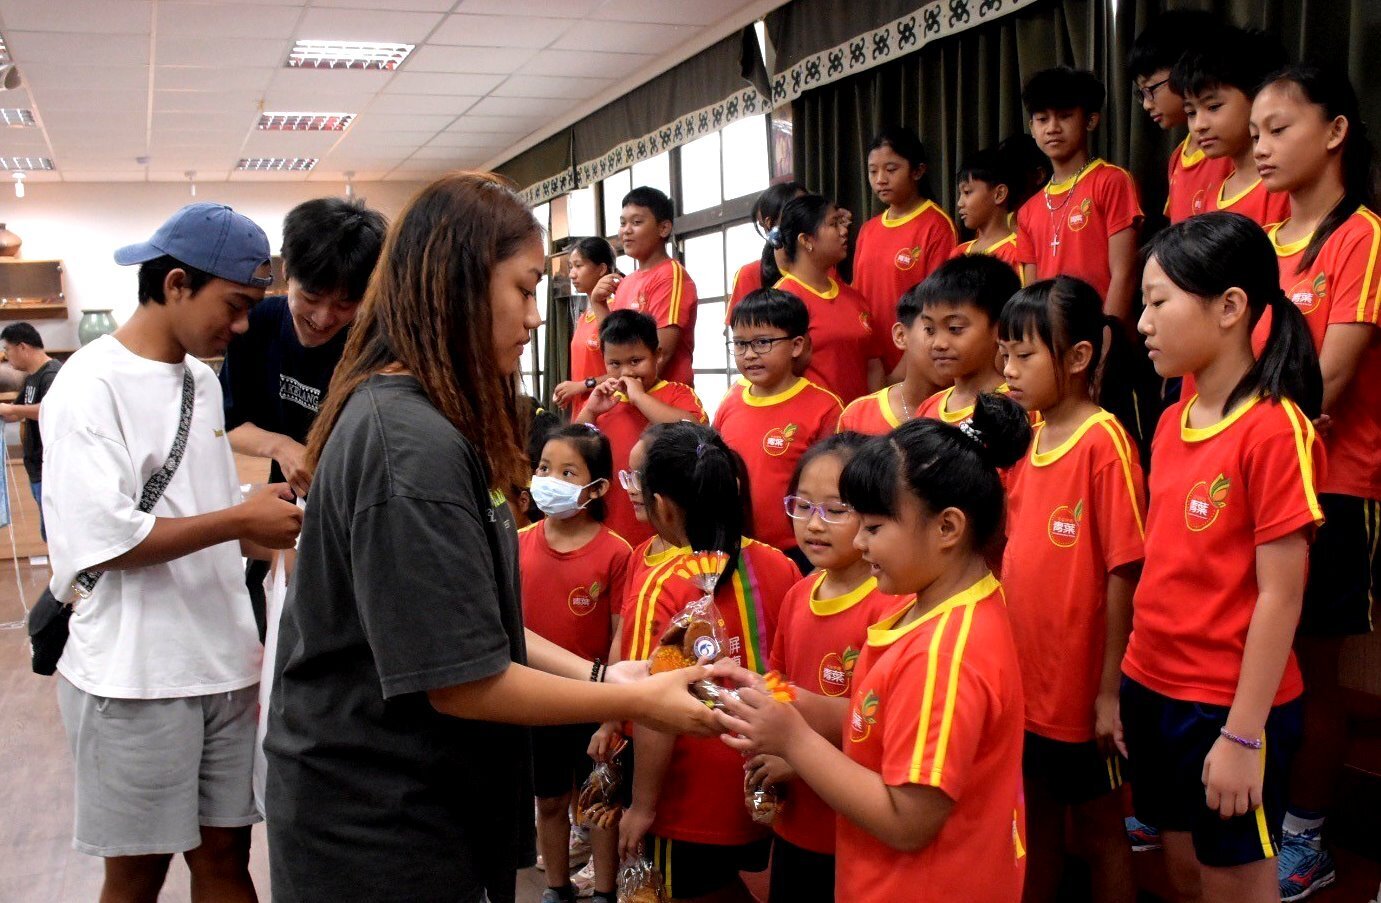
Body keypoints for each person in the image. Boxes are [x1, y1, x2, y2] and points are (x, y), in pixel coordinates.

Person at [264, 172, 718, 903]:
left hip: (422, 802)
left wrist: (606, 680)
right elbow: (463, 680)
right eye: (525, 287)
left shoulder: (428, 423)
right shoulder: (405, 445)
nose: (536, 316)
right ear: (458, 285)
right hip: (378, 824)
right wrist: (641, 704)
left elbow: (471, 625)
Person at [40, 202, 305, 902]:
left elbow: (203, 518)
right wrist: (238, 518)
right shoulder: (89, 385)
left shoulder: (200, 381)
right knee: (139, 869)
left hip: (222, 660)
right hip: (134, 675)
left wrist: (273, 526)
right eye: (236, 305)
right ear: (178, 283)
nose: (243, 326)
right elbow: (105, 539)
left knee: (225, 855)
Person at [713, 395, 1033, 903]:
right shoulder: (930, 606)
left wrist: (794, 740)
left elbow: (908, 821)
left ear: (947, 528)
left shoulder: (944, 655)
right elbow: (875, 721)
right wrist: (780, 700)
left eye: (875, 527)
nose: (859, 544)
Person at [1122, 212, 1323, 903]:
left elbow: (1280, 595)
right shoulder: (1173, 414)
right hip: (1151, 684)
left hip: (1224, 707)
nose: (1141, 323)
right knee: (1181, 874)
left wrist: (1241, 736)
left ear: (1230, 306)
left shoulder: (1273, 428)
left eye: (1156, 303)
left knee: (1233, 884)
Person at [1251, 64, 1381, 901]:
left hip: (1333, 481)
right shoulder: (1257, 240)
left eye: (1276, 129)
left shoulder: (1360, 234)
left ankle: (1308, 837)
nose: (1258, 147)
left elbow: (1325, 379)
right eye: (1253, 132)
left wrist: (1248, 414)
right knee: (1254, 650)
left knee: (1313, 659)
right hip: (1256, 474)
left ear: (1333, 132)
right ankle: (1259, 808)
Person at [998, 277, 1144, 903]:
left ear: (1078, 357)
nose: (1008, 369)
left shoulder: (1105, 442)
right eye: (1004, 353)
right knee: (1036, 825)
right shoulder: (1026, 441)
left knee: (1101, 828)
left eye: (1024, 355)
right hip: (1026, 683)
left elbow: (1124, 571)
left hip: (1081, 693)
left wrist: (1108, 691)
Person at [618, 422, 800, 903]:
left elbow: (653, 708)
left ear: (662, 506)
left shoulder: (664, 582)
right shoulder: (780, 566)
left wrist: (641, 805)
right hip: (764, 781)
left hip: (685, 801)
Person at [218, 196, 386, 639]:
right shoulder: (256, 326)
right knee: (278, 624)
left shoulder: (375, 344)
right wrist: (282, 446)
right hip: (291, 507)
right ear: (287, 275)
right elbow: (231, 422)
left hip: (360, 515)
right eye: (310, 297)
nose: (324, 317)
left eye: (345, 304)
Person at [753, 433, 905, 902]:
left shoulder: (890, 606)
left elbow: (872, 725)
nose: (814, 525)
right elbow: (778, 681)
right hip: (795, 819)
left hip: (852, 826)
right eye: (802, 506)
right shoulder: (799, 593)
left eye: (836, 510)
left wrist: (793, 753)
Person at [519, 424, 631, 903]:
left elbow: (619, 638)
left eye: (567, 472)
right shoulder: (517, 542)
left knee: (598, 803)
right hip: (535, 701)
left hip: (593, 700)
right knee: (549, 801)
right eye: (544, 468)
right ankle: (557, 888)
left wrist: (610, 713)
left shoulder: (616, 552)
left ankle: (605, 891)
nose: (549, 480)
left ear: (598, 488)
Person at [713, 289, 842, 570]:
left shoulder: (824, 407)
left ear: (796, 346)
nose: (749, 354)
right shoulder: (731, 398)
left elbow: (833, 490)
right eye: (740, 344)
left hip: (797, 552)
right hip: (735, 546)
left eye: (762, 342)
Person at [1016, 67, 1143, 328]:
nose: (1052, 128)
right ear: (1031, 127)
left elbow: (1125, 273)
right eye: (1042, 119)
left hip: (1103, 336)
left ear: (1090, 120)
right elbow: (1032, 290)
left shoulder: (1111, 180)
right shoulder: (1027, 210)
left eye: (1064, 117)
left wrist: (1109, 340)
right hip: (1050, 343)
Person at [575, 310, 707, 546]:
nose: (626, 372)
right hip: (610, 530)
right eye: (614, 364)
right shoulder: (602, 401)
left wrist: (639, 399)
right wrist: (591, 412)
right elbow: (572, 447)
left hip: (668, 538)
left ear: (657, 356)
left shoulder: (677, 393)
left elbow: (692, 431)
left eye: (636, 361)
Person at [851, 126, 958, 377]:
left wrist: (902, 371)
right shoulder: (868, 230)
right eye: (872, 171)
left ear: (918, 171)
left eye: (891, 169)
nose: (880, 179)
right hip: (870, 366)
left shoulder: (936, 225)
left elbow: (936, 308)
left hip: (915, 368)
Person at [766, 194, 887, 403]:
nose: (843, 231)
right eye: (833, 224)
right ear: (806, 240)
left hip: (858, 428)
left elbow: (873, 365)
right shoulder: (782, 300)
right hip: (812, 425)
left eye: (842, 223)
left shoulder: (854, 297)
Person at [1173, 30, 1291, 226]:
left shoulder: (1285, 191)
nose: (1199, 126)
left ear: (1258, 97)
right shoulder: (1212, 197)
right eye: (1191, 112)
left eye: (1213, 107)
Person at [1129, 10, 1231, 224]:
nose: (1147, 104)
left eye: (1151, 89)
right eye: (1141, 94)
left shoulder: (1232, 148)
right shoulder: (1177, 158)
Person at [913, 256, 1023, 424]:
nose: (938, 344)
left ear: (999, 329)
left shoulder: (1017, 407)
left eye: (955, 329)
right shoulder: (927, 409)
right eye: (929, 330)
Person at [609, 187, 698, 386]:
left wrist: (624, 386)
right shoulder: (626, 282)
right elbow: (611, 346)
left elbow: (662, 352)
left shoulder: (671, 274)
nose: (626, 230)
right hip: (629, 393)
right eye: (623, 223)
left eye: (637, 222)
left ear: (663, 228)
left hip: (664, 398)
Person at [836, 278, 947, 436]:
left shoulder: (977, 413)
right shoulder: (858, 416)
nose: (944, 343)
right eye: (930, 330)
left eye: (955, 329)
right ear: (901, 335)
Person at [0, 321, 59, 540]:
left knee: (56, 535)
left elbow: (49, 409)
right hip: (36, 469)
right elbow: (14, 413)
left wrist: (12, 408)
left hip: (51, 470)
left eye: (7, 349)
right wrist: (8, 409)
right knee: (49, 535)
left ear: (22, 347)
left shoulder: (52, 374)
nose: (6, 355)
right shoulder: (32, 378)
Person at [554, 237, 622, 413]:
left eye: (578, 266)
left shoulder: (616, 310)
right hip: (583, 411)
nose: (572, 274)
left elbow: (623, 371)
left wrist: (581, 386)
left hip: (609, 410)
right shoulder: (585, 316)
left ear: (601, 269)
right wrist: (570, 391)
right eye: (570, 267)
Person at [730, 181, 808, 307]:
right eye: (799, 212)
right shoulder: (749, 274)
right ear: (769, 223)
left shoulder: (827, 266)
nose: (809, 218)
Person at [952, 148, 1022, 279]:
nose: (959, 203)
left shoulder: (1017, 252)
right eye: (960, 194)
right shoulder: (959, 252)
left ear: (999, 194)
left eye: (967, 192)